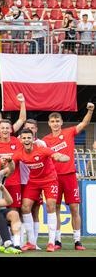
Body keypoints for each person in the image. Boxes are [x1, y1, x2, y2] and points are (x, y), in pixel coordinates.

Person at [42, 103, 94, 251]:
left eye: (57, 121)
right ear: (49, 123)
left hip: (70, 176)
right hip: (53, 178)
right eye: (52, 121)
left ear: (61, 122)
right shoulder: (45, 140)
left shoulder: (69, 132)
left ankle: (77, 241)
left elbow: (84, 123)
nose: (55, 123)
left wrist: (90, 110)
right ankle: (57, 240)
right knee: (56, 208)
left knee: (74, 208)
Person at [12, 129, 70, 252]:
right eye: (24, 138)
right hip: (33, 182)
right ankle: (31, 242)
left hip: (50, 180)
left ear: (33, 139)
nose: (27, 140)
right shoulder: (18, 153)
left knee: (50, 205)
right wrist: (4, 165)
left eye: (29, 138)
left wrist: (62, 157)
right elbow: (10, 165)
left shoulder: (42, 149)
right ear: (21, 140)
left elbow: (56, 155)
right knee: (25, 207)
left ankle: (51, 242)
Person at [21, 119, 46, 249]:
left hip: (36, 182)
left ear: (36, 129)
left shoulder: (41, 144)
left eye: (32, 128)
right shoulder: (20, 142)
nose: (29, 129)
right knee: (22, 211)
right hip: (21, 182)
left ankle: (34, 242)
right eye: (27, 127)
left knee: (35, 211)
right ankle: (22, 240)